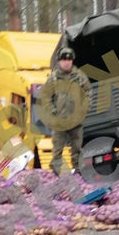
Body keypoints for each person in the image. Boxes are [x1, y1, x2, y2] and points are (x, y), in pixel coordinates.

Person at [47, 46, 92, 175]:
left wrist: (83, 109)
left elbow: (88, 92)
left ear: (72, 61)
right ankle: (56, 176)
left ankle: (78, 174)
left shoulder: (79, 77)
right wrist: (53, 111)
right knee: (57, 151)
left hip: (76, 121)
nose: (66, 62)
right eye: (63, 59)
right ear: (59, 61)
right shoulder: (54, 78)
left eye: (69, 59)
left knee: (77, 150)